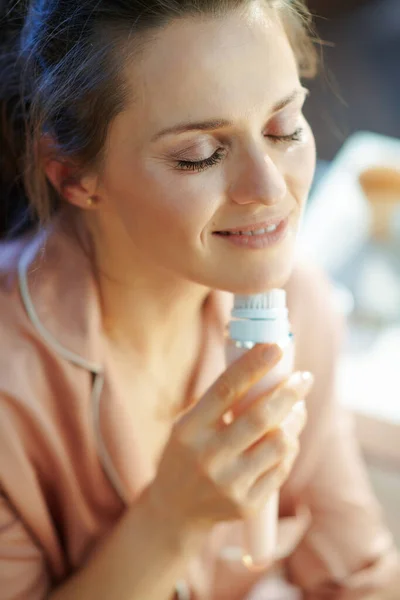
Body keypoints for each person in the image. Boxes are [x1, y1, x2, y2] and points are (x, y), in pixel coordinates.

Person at [0, 1, 398, 599]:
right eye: (200, 156)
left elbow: (358, 577)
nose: (270, 191)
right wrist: (170, 521)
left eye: (284, 127)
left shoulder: (295, 302)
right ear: (74, 176)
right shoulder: (14, 387)